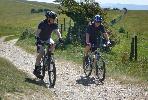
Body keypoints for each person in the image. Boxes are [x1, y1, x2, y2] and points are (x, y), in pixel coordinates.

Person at [33, 11, 63, 78]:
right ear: (48, 18)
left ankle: (49, 57)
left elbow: (57, 32)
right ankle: (36, 69)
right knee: (41, 53)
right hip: (40, 39)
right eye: (53, 18)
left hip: (47, 38)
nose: (54, 20)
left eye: (54, 18)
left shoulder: (54, 24)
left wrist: (60, 37)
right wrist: (38, 40)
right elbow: (37, 33)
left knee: (53, 44)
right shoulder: (42, 23)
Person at [83, 14, 110, 79]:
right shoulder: (90, 26)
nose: (97, 23)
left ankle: (94, 66)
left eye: (99, 22)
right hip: (88, 39)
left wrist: (108, 41)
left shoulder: (101, 26)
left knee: (96, 53)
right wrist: (87, 42)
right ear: (94, 21)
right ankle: (86, 57)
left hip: (95, 40)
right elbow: (87, 34)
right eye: (96, 22)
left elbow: (105, 34)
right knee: (88, 46)